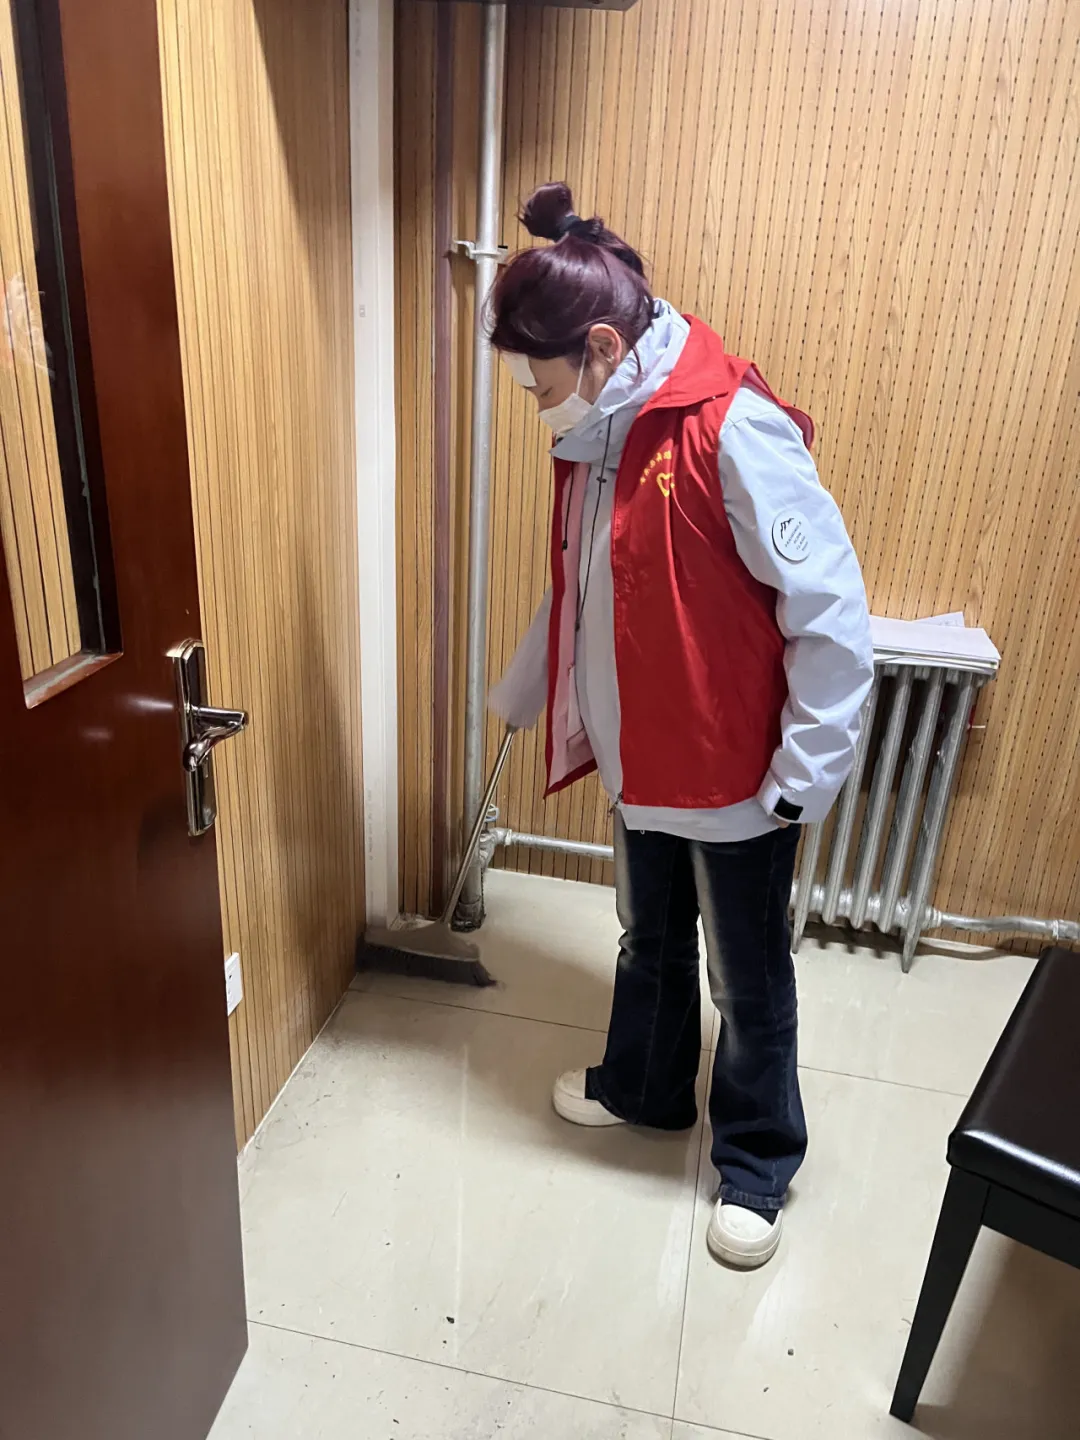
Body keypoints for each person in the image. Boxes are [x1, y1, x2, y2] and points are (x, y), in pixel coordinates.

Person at [487, 182, 873, 1270]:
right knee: (647, 939)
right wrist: (527, 690)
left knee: (746, 978)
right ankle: (645, 1088)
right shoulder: (599, 433)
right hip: (642, 758)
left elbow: (831, 616)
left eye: (539, 382)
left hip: (737, 776)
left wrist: (804, 774)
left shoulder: (731, 428)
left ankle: (756, 1159)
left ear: (603, 348)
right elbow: (584, 587)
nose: (535, 403)